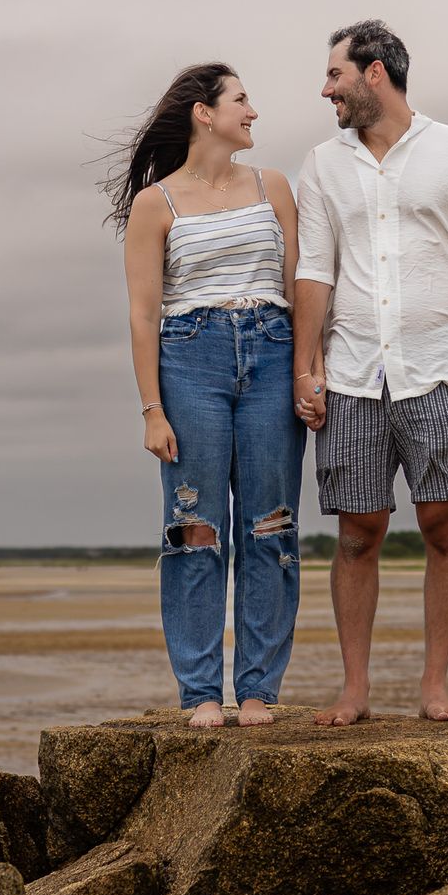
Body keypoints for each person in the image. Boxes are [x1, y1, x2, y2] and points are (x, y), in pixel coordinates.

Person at [291, 20, 448, 724]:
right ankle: (354, 689)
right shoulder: (322, 166)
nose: (325, 88)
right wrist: (307, 366)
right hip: (354, 372)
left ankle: (434, 687)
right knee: (358, 531)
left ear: (375, 73)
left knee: (443, 524)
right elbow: (313, 271)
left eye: (335, 75)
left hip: (443, 370)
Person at [106, 63, 304, 728]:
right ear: (204, 112)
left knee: (270, 525)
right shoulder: (155, 205)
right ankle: (200, 693)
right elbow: (142, 315)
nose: (252, 112)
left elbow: (298, 285)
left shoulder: (273, 186)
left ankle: (256, 691)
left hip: (273, 355)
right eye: (242, 100)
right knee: (195, 532)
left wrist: (309, 369)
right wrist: (151, 409)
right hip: (192, 360)